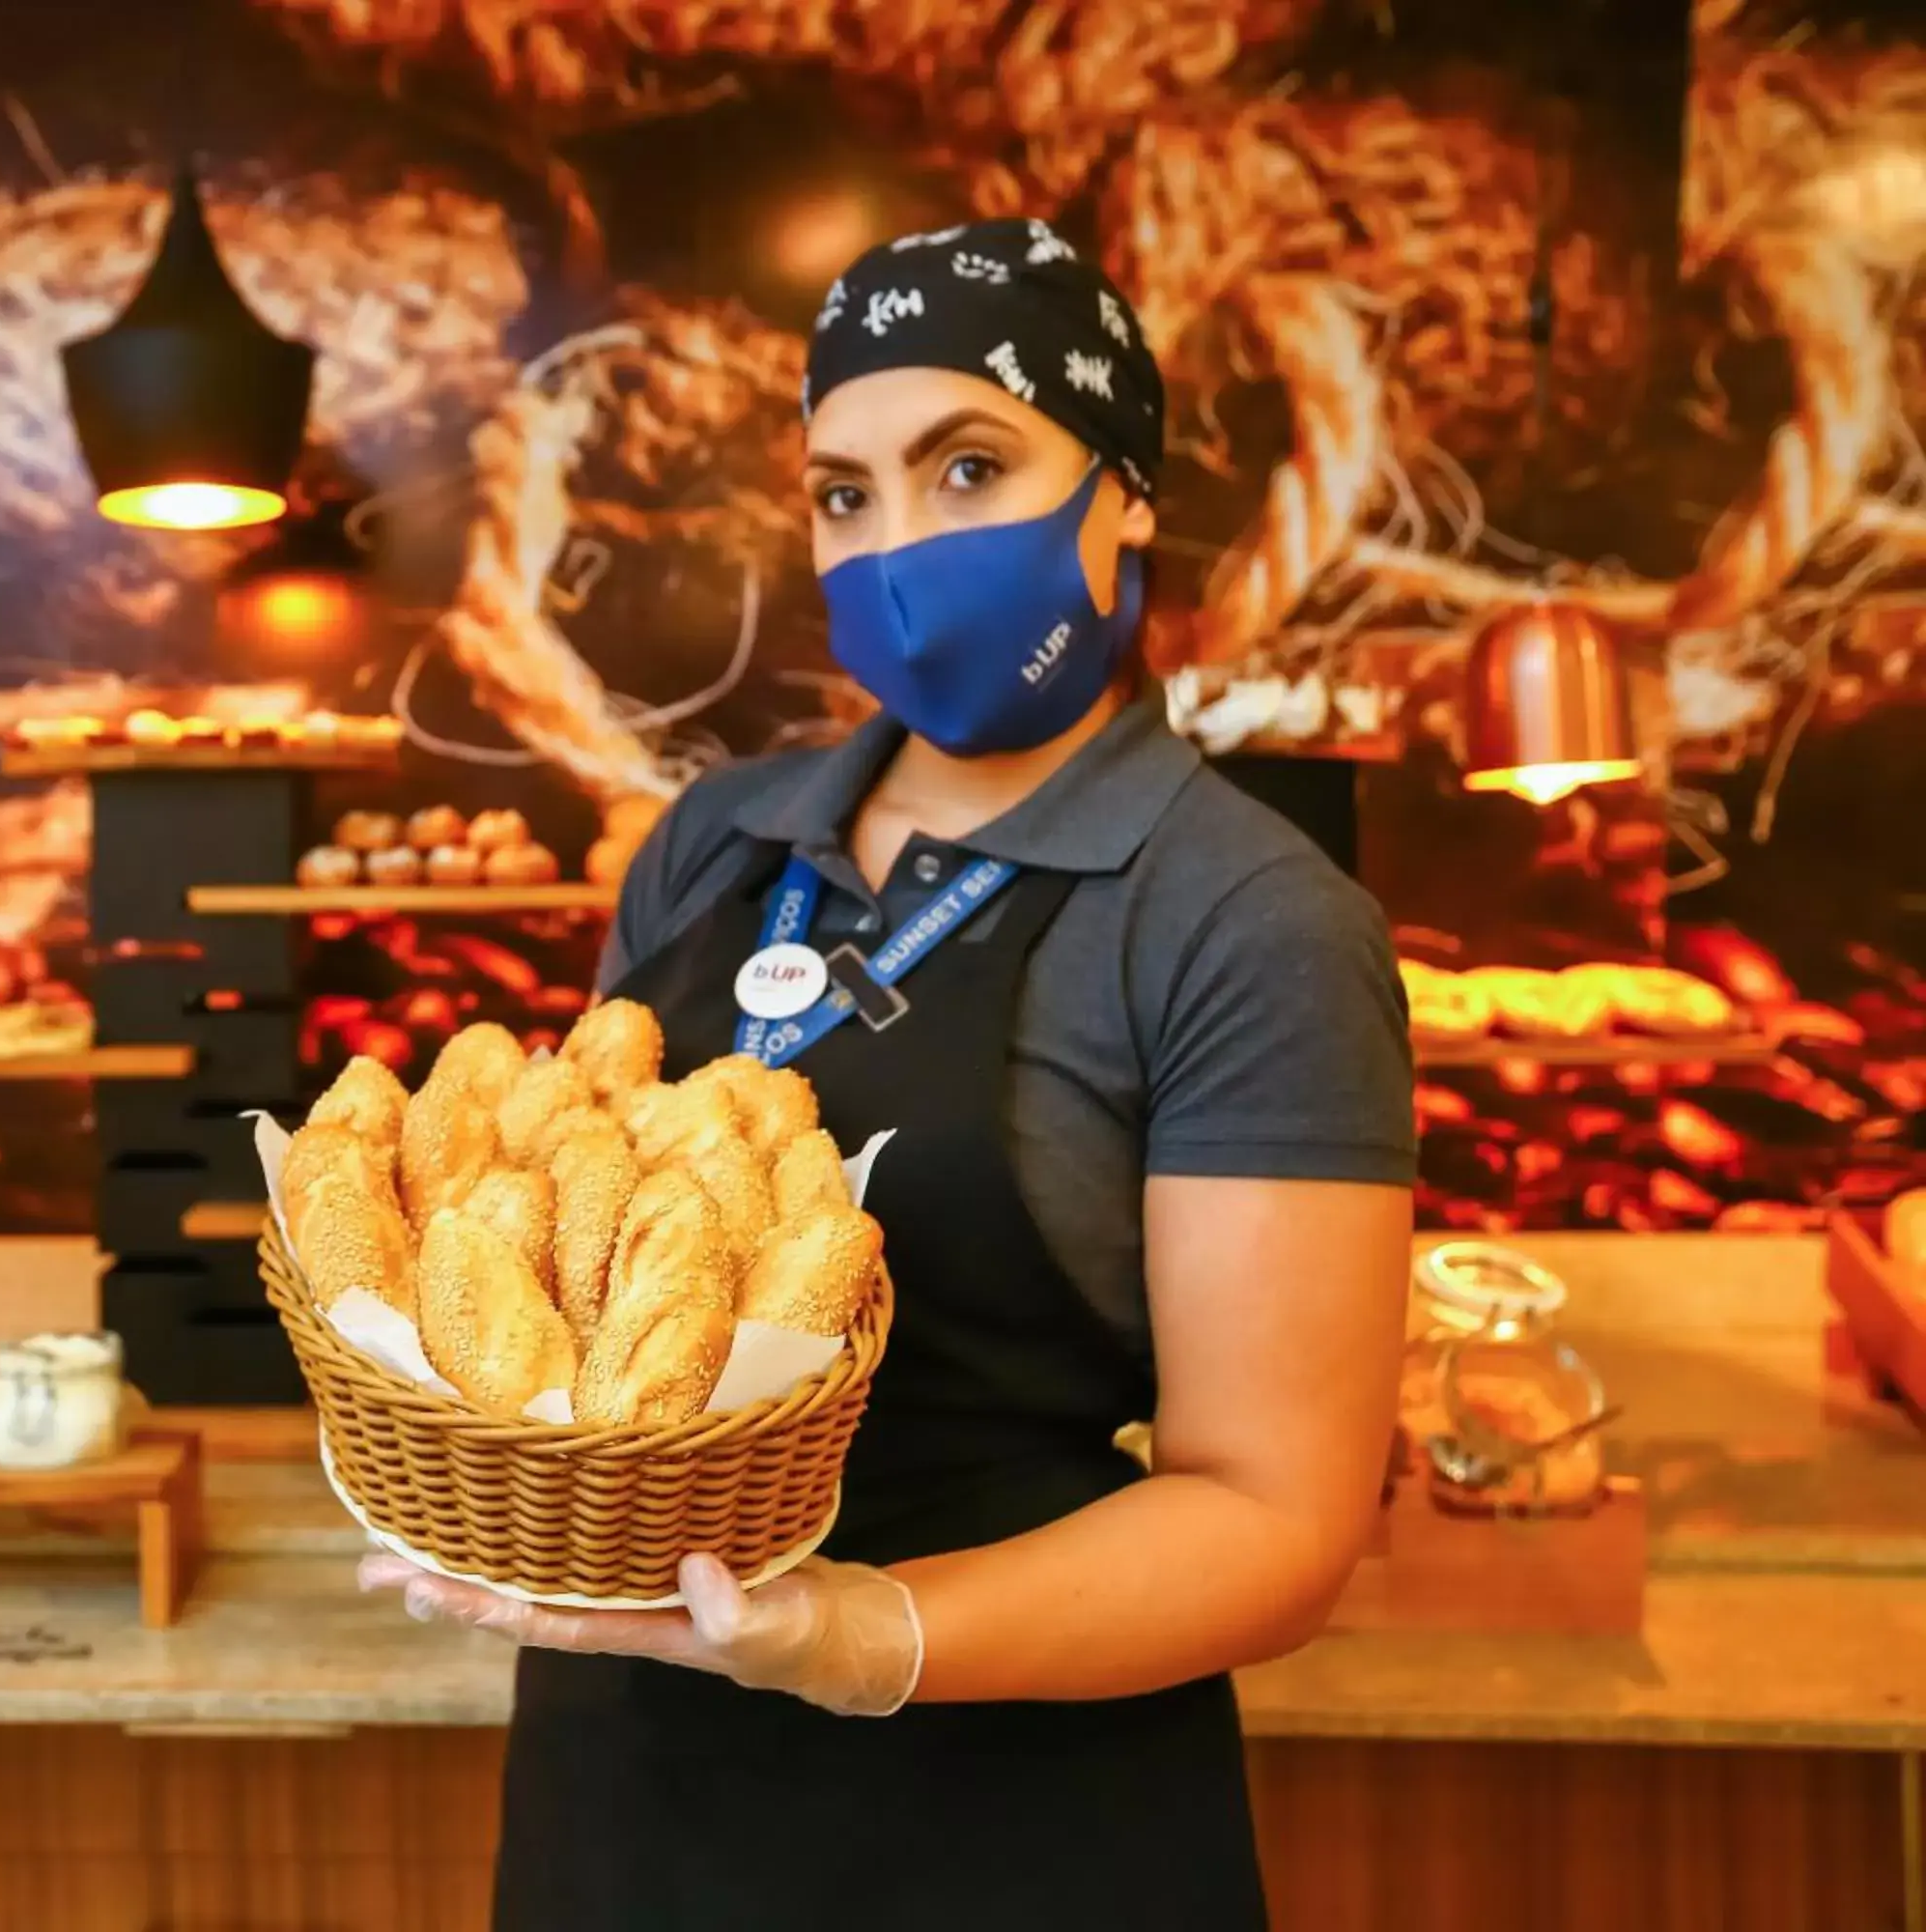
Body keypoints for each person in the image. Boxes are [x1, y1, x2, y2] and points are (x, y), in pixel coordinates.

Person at [360, 217, 1419, 1929]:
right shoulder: (710, 842)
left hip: (1015, 1826)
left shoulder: (1245, 918)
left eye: (971, 465)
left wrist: (858, 1632)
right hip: (625, 1800)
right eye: (847, 492)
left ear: (1124, 490)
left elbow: (1277, 1520)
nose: (901, 539)